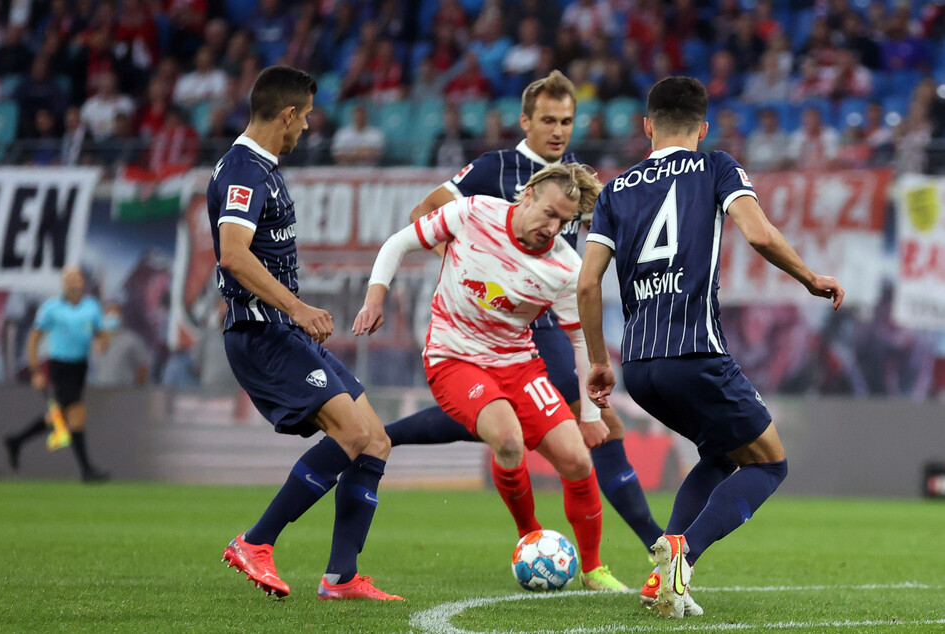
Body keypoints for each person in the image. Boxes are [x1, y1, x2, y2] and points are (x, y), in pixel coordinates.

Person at [383, 71, 665, 591]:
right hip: (493, 327)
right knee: (503, 425)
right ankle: (646, 541)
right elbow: (424, 213)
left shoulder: (577, 183)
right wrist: (480, 280)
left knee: (588, 430)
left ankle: (616, 556)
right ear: (526, 121)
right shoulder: (497, 168)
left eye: (567, 121)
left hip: (547, 325)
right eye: (549, 121)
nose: (559, 131)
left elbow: (585, 265)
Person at [577, 76, 845, 619]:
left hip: (640, 368)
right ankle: (683, 552)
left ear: (647, 125)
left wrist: (600, 361)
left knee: (721, 455)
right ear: (703, 127)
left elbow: (586, 284)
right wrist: (809, 278)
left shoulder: (614, 190)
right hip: (695, 355)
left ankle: (660, 580)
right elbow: (761, 234)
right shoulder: (716, 166)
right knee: (770, 465)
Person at [355, 163, 625, 592]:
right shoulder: (472, 213)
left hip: (519, 364)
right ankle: (530, 539)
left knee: (576, 459)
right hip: (453, 358)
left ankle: (593, 569)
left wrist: (590, 415)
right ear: (528, 194)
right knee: (508, 439)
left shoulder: (565, 267)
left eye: (564, 222)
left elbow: (579, 344)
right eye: (549, 214)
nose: (552, 228)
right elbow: (399, 243)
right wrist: (375, 298)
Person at [210, 65, 401, 601]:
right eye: (307, 118)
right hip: (261, 332)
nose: (309, 129)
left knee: (376, 440)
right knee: (351, 433)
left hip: (283, 333)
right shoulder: (244, 169)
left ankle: (341, 578)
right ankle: (256, 541)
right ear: (288, 114)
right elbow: (232, 255)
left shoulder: (262, 167)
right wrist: (296, 307)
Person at [3, 267, 111, 482]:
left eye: (76, 278)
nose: (72, 283)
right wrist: (36, 371)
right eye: (68, 278)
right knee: (76, 414)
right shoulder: (51, 308)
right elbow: (34, 339)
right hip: (60, 366)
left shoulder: (91, 307)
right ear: (62, 283)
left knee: (58, 417)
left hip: (80, 367)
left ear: (82, 281)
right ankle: (87, 471)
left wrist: (102, 343)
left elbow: (101, 334)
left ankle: (16, 441)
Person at [89, 301, 150, 387]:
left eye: (115, 312)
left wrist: (137, 390)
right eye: (108, 311)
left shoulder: (131, 340)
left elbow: (143, 368)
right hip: (100, 392)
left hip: (124, 392)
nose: (112, 315)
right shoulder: (95, 340)